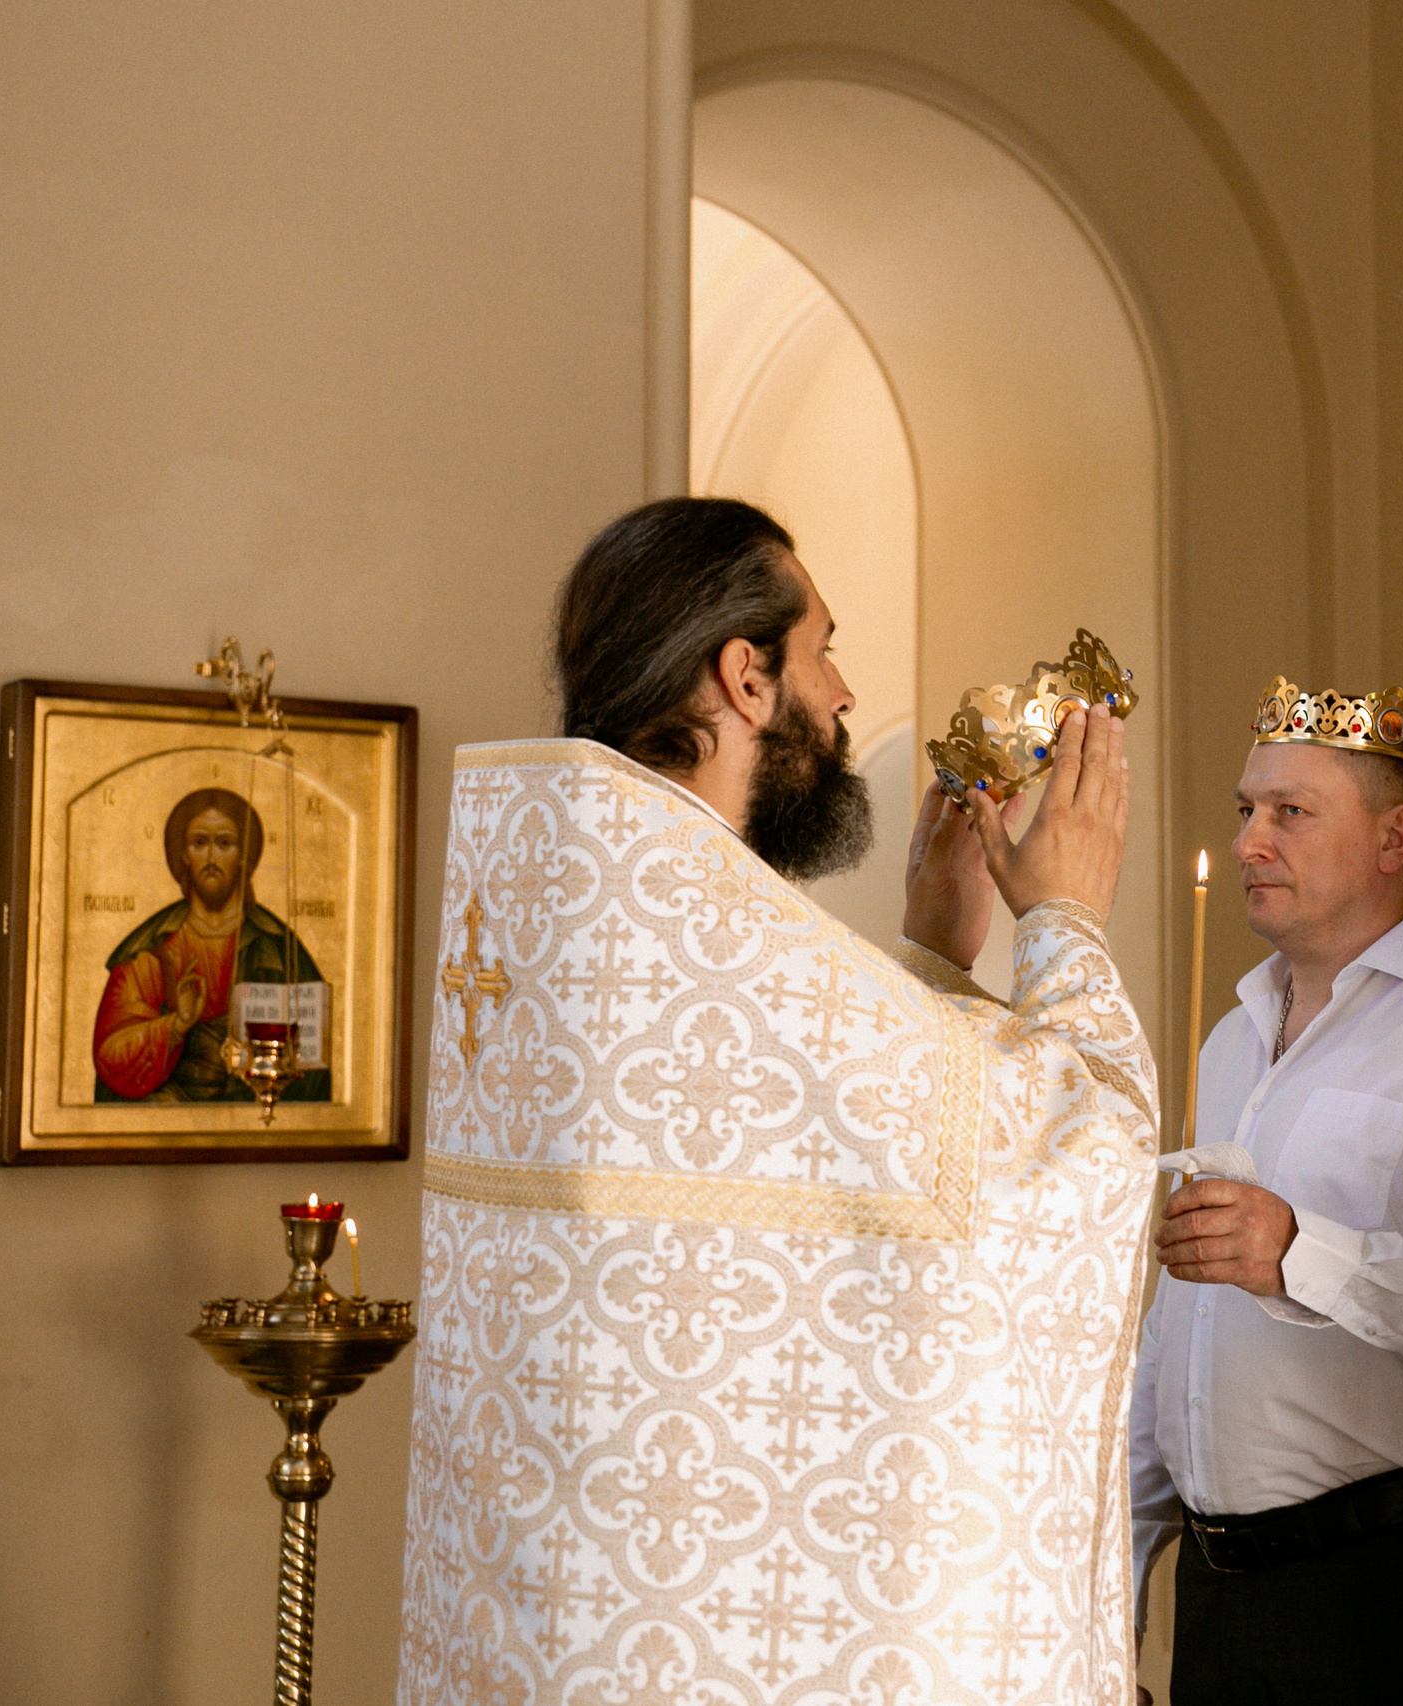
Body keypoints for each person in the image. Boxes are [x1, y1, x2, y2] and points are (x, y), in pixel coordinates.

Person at [397, 497, 1157, 1706]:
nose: (845, 690)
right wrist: (1063, 919)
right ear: (744, 677)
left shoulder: (576, 911)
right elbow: (1073, 1155)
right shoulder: (717, 945)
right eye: (823, 648)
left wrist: (932, 967)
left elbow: (829, 1201)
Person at [1130, 678, 1403, 1705]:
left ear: (1395, 837)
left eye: (1290, 813)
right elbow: (1182, 1330)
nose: (1251, 841)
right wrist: (1120, 1567)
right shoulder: (1228, 1039)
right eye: (1246, 810)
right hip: (1221, 1594)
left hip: (1395, 1586)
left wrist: (1300, 1251)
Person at [92, 787, 330, 1102]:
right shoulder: (152, 949)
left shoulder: (278, 949)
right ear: (183, 855)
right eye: (200, 843)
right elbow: (111, 1054)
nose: (212, 857)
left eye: (225, 843)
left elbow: (313, 1064)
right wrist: (177, 1025)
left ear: (244, 855)